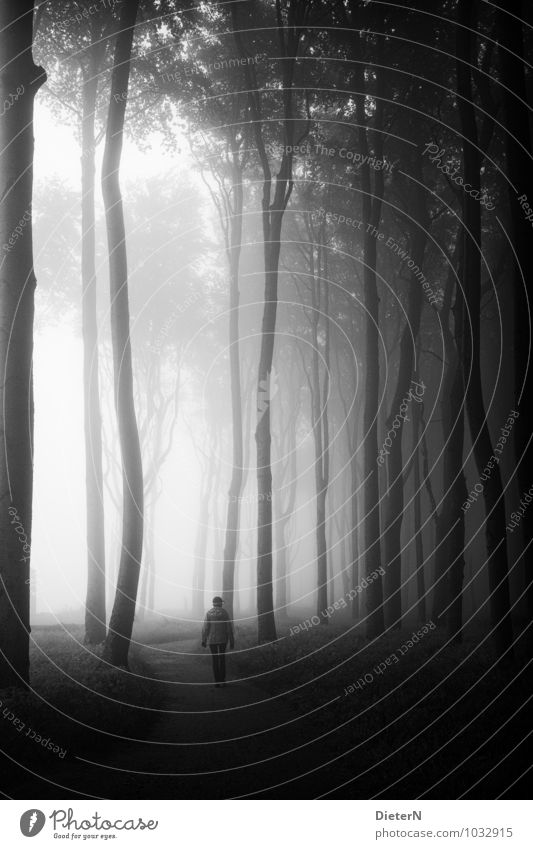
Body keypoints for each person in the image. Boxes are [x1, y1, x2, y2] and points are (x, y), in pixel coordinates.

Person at [201, 596, 234, 688]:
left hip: (212, 641)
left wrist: (204, 640)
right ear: (220, 603)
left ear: (213, 603)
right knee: (222, 659)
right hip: (223, 640)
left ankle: (216, 682)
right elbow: (229, 628)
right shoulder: (224, 613)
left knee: (214, 660)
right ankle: (223, 681)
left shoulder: (209, 613)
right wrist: (231, 641)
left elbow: (205, 628)